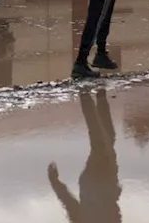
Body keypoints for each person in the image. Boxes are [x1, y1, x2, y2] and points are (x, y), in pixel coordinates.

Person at [47, 88, 122, 222]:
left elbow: (70, 204)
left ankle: (86, 95)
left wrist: (55, 183)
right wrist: (55, 183)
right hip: (106, 180)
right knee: (107, 137)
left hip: (96, 182)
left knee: (100, 141)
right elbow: (69, 204)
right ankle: (99, 94)